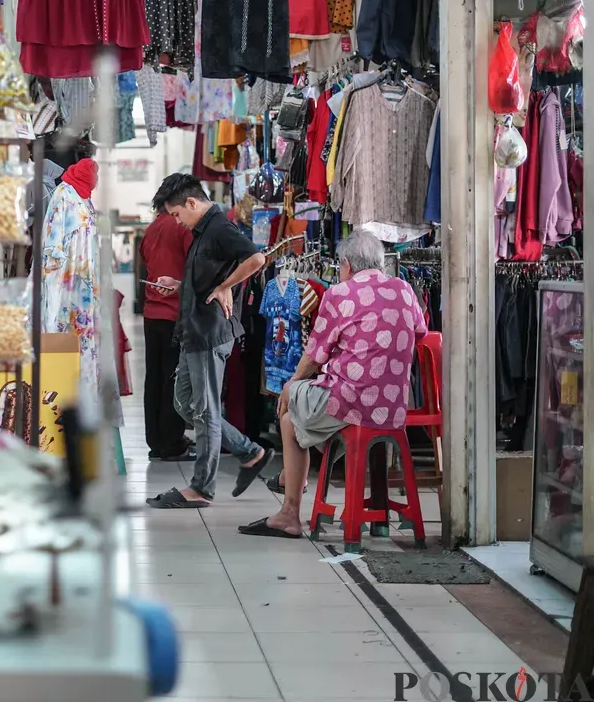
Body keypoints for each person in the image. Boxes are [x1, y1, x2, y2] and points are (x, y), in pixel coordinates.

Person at [238, 230, 428, 538]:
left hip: (350, 403)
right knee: (299, 416)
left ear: (348, 265)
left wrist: (291, 384)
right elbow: (419, 333)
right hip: (392, 408)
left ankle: (290, 507)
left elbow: (314, 356)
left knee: (288, 410)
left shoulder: (340, 294)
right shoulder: (404, 289)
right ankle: (290, 481)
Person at [146, 175, 272, 509]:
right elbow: (207, 275)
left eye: (176, 214)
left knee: (204, 409)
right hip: (192, 330)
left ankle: (202, 487)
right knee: (186, 403)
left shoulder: (218, 227)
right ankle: (250, 451)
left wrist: (226, 286)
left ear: (191, 203)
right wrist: (180, 284)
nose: (176, 221)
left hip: (208, 332)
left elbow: (256, 259)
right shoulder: (202, 232)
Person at [138, 175, 195, 460]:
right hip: (175, 312)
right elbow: (194, 264)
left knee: (154, 376)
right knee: (173, 378)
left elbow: (146, 261)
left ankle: (155, 440)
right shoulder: (181, 227)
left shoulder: (151, 230)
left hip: (152, 312)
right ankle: (171, 441)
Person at [41, 157, 104, 406]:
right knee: (62, 332)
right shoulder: (64, 195)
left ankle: (84, 403)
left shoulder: (84, 197)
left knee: (84, 339)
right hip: (66, 281)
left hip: (84, 283)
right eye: (95, 176)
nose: (98, 181)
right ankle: (60, 400)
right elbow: (52, 244)